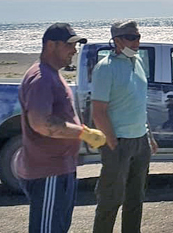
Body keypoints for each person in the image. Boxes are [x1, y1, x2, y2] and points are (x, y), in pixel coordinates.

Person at [17, 23, 107, 233]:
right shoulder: (41, 78)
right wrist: (83, 133)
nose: (74, 51)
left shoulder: (51, 74)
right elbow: (41, 123)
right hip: (48, 171)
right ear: (51, 45)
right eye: (69, 46)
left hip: (59, 169)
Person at [91, 20, 158, 233]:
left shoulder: (137, 62)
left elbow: (138, 102)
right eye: (131, 37)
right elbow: (98, 111)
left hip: (140, 141)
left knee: (135, 200)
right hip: (118, 142)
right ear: (117, 40)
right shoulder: (105, 68)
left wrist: (149, 136)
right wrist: (112, 143)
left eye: (138, 36)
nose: (136, 41)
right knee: (110, 201)